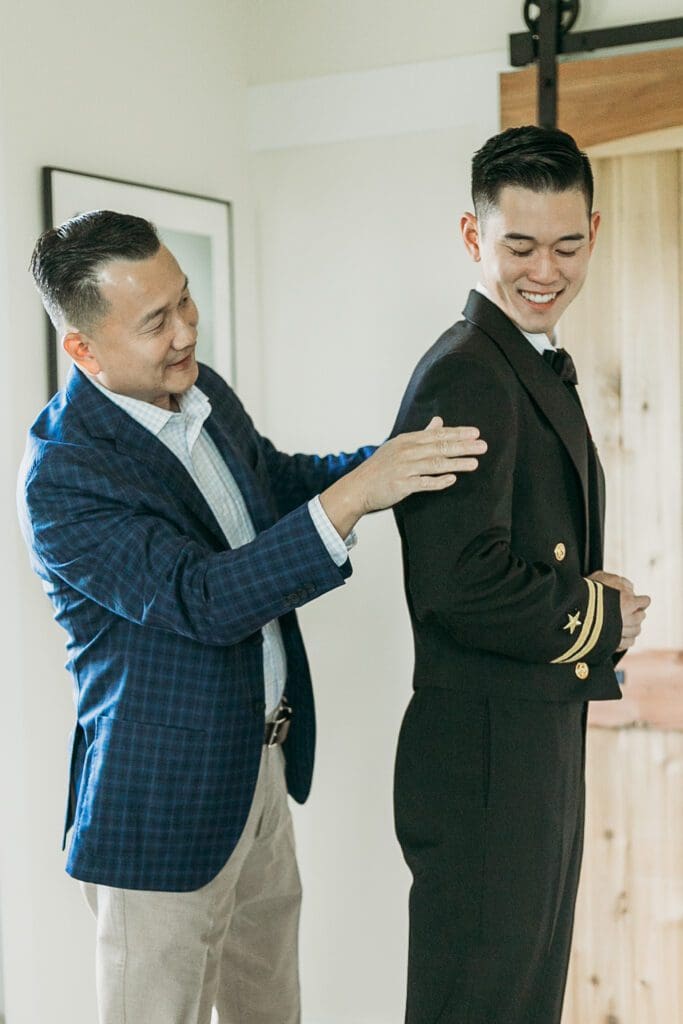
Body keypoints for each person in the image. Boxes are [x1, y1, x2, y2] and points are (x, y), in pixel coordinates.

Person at [17, 210, 487, 1024]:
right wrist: (353, 498)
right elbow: (204, 598)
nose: (184, 331)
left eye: (185, 301)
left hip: (259, 775)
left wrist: (388, 463)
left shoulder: (198, 387)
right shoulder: (63, 478)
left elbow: (269, 481)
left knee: (270, 1012)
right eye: (155, 320)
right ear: (83, 350)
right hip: (158, 813)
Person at [391, 126, 651, 1024]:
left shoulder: (519, 361)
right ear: (473, 238)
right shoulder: (466, 373)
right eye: (519, 245)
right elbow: (458, 584)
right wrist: (596, 614)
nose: (546, 270)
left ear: (594, 231)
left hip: (525, 739)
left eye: (567, 244)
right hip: (484, 758)